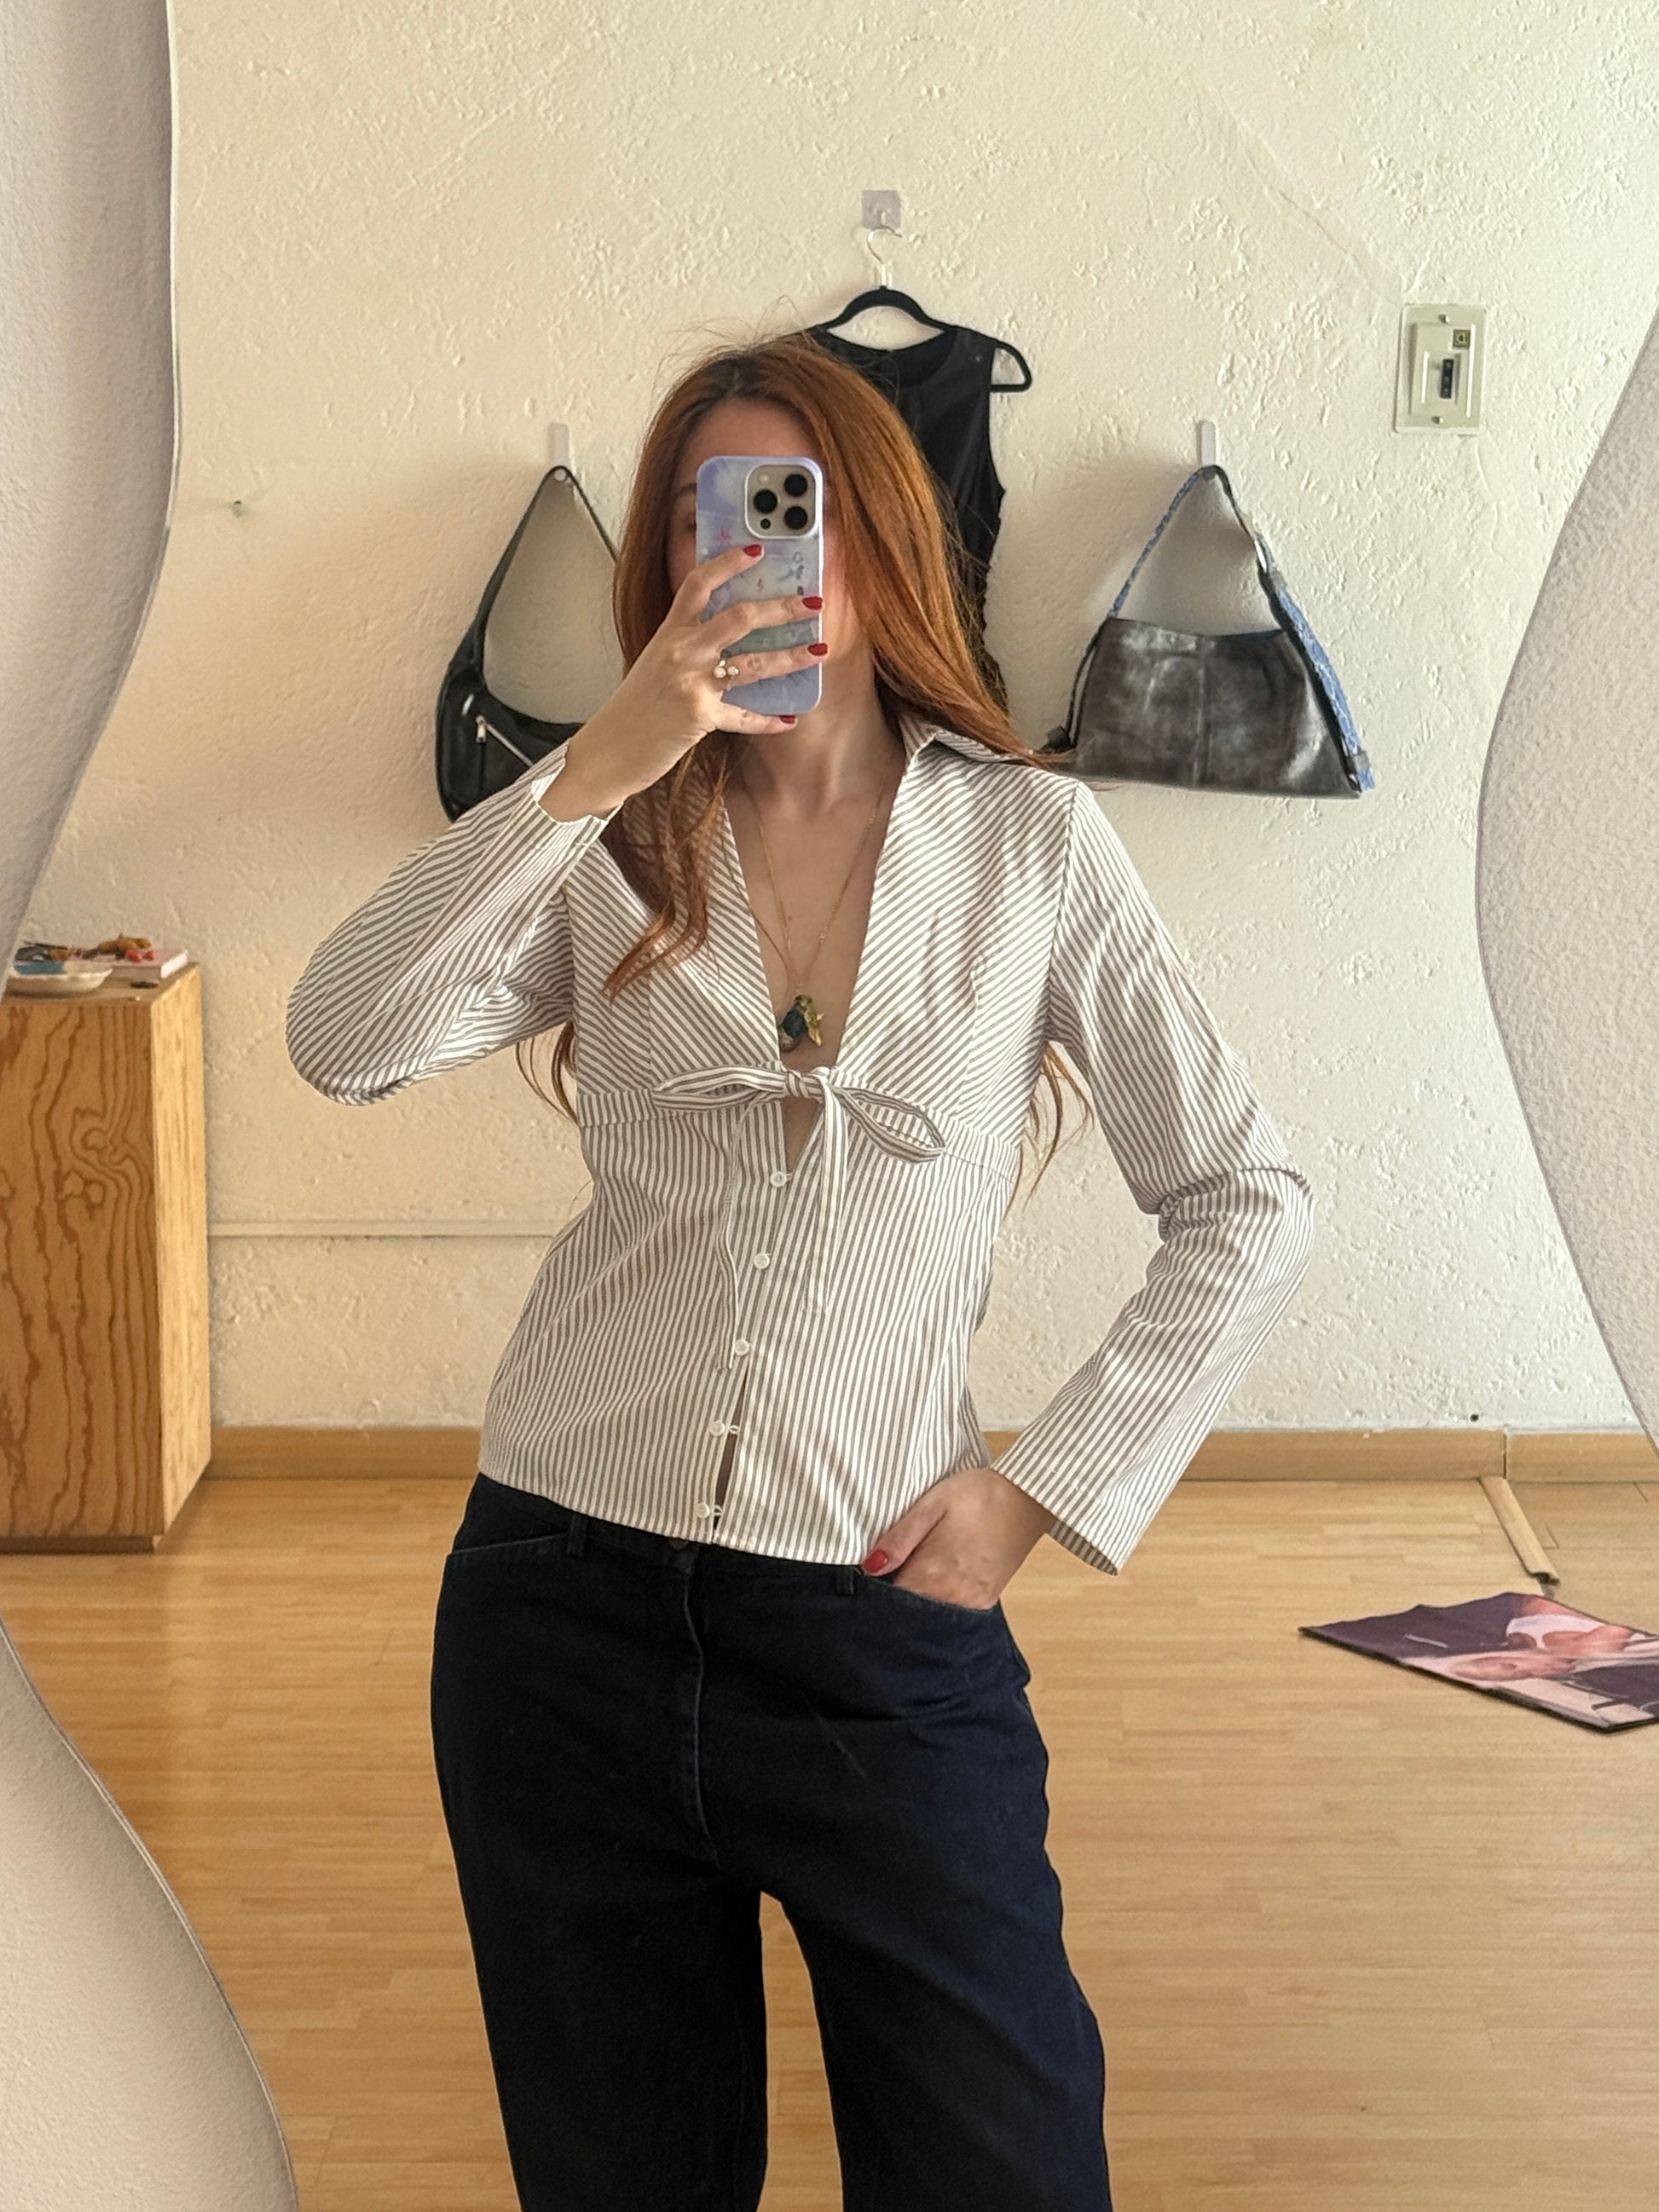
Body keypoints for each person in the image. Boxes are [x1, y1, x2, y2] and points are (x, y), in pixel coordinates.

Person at [286, 330, 1314, 2212]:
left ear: (886, 538)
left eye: (797, 508)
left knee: (1002, 2164)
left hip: (876, 1614)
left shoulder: (1028, 844)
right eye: (714, 520)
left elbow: (1245, 1193)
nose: (755, 556)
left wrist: (1042, 1491)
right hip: (557, 1608)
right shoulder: (611, 839)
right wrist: (590, 768)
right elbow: (342, 1037)